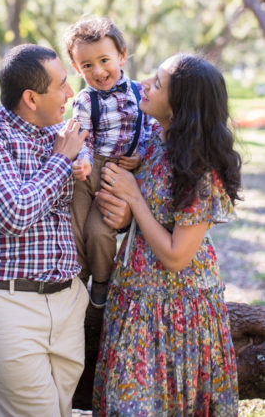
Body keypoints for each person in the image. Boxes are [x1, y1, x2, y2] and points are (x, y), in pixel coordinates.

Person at [92, 54, 241, 416]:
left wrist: (133, 198)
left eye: (158, 84)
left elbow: (177, 257)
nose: (144, 84)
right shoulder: (156, 140)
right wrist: (127, 212)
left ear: (181, 106)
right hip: (136, 300)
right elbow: (151, 215)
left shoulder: (201, 167)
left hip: (177, 310)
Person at [0, 44, 90, 417]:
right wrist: (62, 160)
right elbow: (15, 212)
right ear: (30, 97)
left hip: (66, 304)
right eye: (61, 85)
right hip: (8, 306)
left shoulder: (57, 132)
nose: (70, 93)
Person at [63, 16, 154, 308]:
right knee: (74, 226)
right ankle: (75, 282)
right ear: (77, 68)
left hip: (118, 171)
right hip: (89, 167)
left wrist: (140, 157)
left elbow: (151, 131)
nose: (98, 71)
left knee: (99, 230)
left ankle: (101, 281)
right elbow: (84, 136)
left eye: (105, 60)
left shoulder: (141, 94)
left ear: (122, 55)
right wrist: (84, 161)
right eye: (87, 65)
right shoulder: (85, 100)